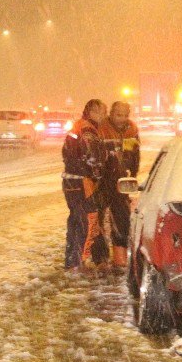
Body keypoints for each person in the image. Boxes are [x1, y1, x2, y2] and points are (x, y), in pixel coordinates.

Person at [62, 99, 107, 272]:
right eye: (102, 111)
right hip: (82, 182)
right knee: (86, 221)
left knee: (75, 220)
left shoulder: (78, 126)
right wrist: (97, 175)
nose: (104, 115)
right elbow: (93, 158)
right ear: (93, 112)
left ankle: (72, 260)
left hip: (71, 180)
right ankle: (77, 262)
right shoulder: (88, 130)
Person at [96, 101, 140, 270]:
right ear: (111, 114)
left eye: (125, 115)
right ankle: (100, 259)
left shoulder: (132, 130)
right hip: (102, 181)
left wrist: (132, 174)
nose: (122, 119)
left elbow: (134, 154)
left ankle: (120, 259)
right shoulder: (102, 128)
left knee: (122, 220)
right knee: (98, 220)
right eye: (118, 115)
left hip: (121, 182)